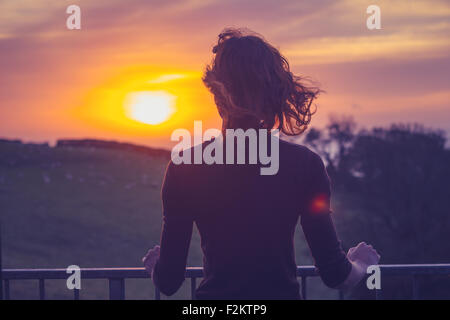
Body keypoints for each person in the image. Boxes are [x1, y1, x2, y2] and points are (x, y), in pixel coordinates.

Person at [143, 28, 380, 299]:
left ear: (217, 94)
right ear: (274, 93)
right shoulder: (305, 166)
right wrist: (362, 262)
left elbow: (169, 282)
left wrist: (155, 267)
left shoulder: (185, 166)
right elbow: (337, 275)